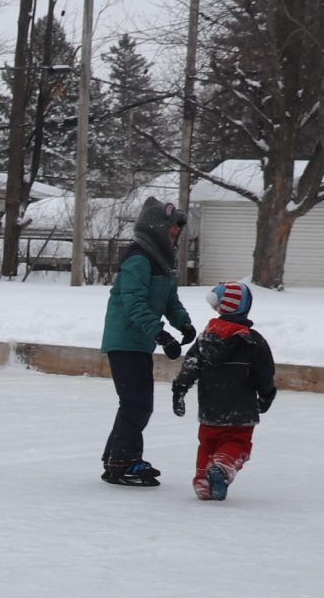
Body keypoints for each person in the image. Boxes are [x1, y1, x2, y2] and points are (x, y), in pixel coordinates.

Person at [97, 197, 197, 486]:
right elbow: (134, 302)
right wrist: (161, 334)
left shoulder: (160, 260)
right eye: (172, 229)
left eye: (178, 230)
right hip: (125, 340)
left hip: (139, 342)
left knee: (135, 402)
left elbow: (169, 299)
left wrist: (184, 324)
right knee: (136, 403)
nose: (175, 234)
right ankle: (123, 460)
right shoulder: (138, 257)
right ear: (157, 227)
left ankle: (116, 457)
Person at [169, 281, 277, 500]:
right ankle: (222, 466)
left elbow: (190, 366)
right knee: (238, 444)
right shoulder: (252, 341)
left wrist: (179, 390)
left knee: (207, 444)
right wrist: (266, 395)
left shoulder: (205, 340)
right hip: (241, 412)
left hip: (210, 410)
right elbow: (264, 373)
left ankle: (203, 482)